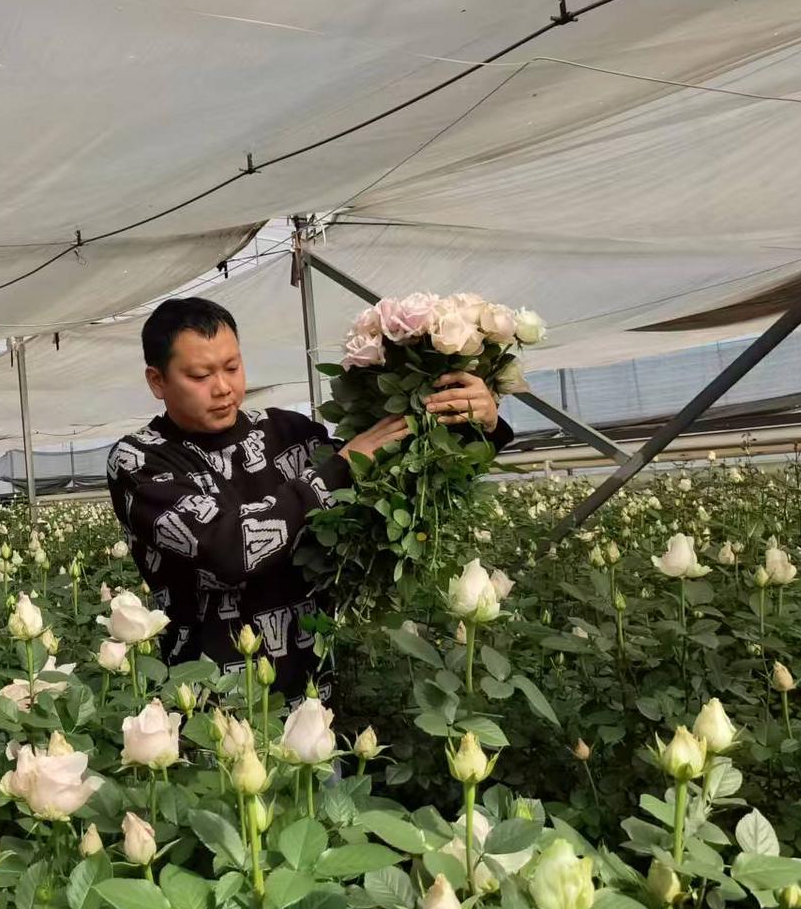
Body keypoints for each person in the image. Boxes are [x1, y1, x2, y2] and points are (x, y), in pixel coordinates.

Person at [106, 297, 511, 699]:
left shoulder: (288, 432)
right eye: (200, 375)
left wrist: (480, 424)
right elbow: (226, 551)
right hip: (208, 702)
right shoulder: (140, 460)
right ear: (157, 381)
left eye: (232, 367)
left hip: (313, 694)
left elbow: (393, 480)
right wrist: (337, 469)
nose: (223, 387)